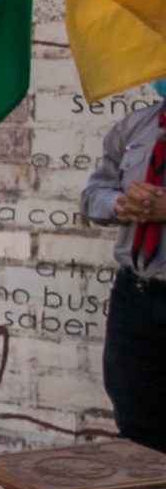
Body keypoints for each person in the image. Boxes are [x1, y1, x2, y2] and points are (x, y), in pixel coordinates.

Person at [84, 84, 166, 449]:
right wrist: (119, 205)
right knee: (134, 415)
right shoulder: (135, 127)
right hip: (135, 297)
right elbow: (93, 195)